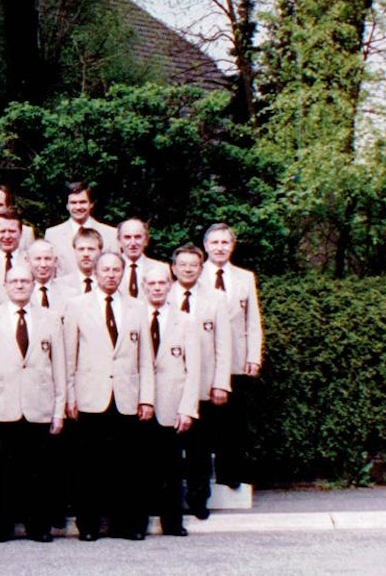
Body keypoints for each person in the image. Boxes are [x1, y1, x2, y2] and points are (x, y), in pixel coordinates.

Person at [0, 264, 66, 543]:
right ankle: (1, 526)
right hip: (2, 406)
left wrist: (58, 410)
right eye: (14, 281)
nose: (20, 285)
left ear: (34, 284)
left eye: (26, 280)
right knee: (1, 473)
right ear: (5, 285)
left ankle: (38, 526)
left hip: (39, 406)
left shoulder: (50, 319)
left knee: (38, 472)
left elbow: (58, 366)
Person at [67, 251, 155, 540]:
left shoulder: (137, 307)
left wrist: (147, 398)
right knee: (89, 467)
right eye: (105, 269)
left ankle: (127, 525)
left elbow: (145, 358)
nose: (111, 274)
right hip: (91, 396)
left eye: (116, 270)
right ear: (95, 271)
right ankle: (89, 526)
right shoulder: (77, 306)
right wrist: (70, 396)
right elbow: (70, 356)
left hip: (126, 397)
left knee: (127, 467)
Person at [169, 244, 235, 518]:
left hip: (205, 386)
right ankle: (168, 500)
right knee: (170, 448)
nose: (187, 269)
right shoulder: (161, 293)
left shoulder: (216, 299)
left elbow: (224, 344)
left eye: (192, 265)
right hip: (171, 386)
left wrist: (221, 382)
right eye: (182, 264)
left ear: (201, 268)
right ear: (173, 268)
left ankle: (198, 500)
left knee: (200, 448)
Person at [142, 265, 202, 537]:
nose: (157, 287)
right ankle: (137, 524)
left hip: (171, 403)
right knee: (139, 468)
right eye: (152, 283)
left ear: (170, 285)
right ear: (143, 286)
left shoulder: (186, 320)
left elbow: (194, 369)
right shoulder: (133, 317)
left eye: (162, 282)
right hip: (139, 404)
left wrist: (187, 408)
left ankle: (173, 522)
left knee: (172, 467)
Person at [202, 223, 262, 490]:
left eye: (225, 242)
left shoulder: (245, 277)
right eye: (214, 242)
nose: (219, 247)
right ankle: (202, 479)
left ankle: (231, 475)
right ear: (206, 246)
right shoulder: (193, 274)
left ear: (232, 246)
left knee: (233, 422)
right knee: (205, 423)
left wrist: (254, 355)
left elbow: (253, 321)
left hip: (236, 360)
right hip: (203, 360)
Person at [46, 181, 119, 270]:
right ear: (67, 206)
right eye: (73, 203)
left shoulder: (110, 234)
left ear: (91, 204)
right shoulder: (52, 235)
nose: (78, 207)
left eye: (83, 202)